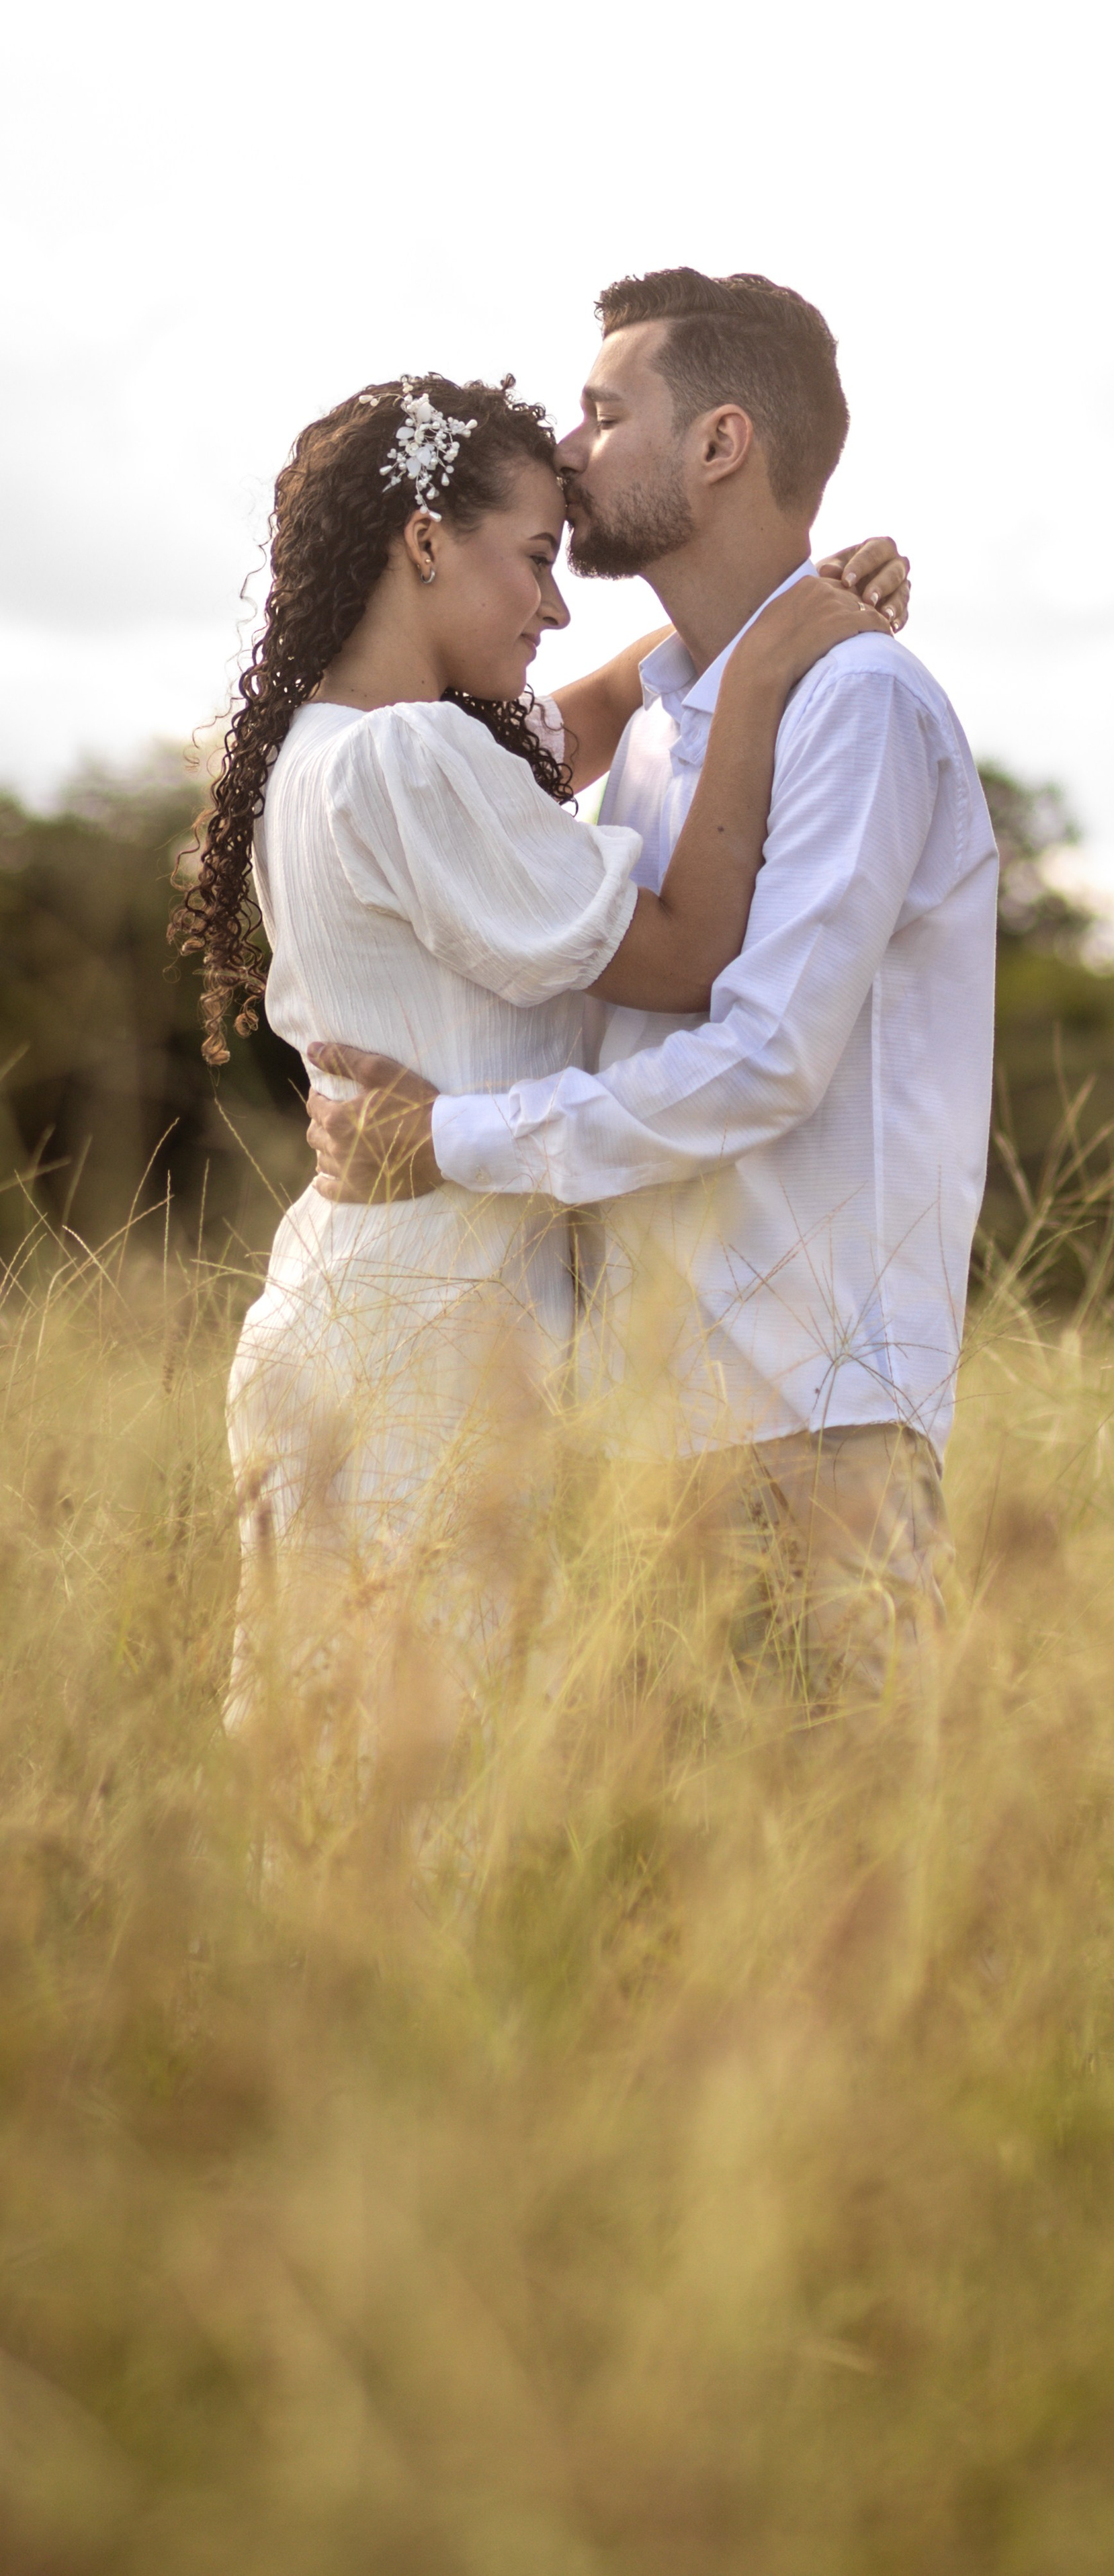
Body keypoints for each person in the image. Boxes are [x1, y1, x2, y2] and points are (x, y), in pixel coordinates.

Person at [173, 368, 906, 1772]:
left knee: (348, 1761)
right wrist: (763, 669)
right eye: (531, 561)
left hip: (360, 1298)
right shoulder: (407, 763)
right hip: (431, 1330)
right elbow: (688, 948)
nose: (556, 605)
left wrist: (747, 624)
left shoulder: (324, 753)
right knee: (426, 1772)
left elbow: (561, 732)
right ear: (424, 541)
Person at [306, 274, 999, 1712]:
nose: (566, 448)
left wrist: (446, 1142)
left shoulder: (856, 706)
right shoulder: (670, 718)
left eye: (605, 412)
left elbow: (764, 1064)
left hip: (807, 1415)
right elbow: (488, 785)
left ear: (720, 444)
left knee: (850, 1896)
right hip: (640, 1432)